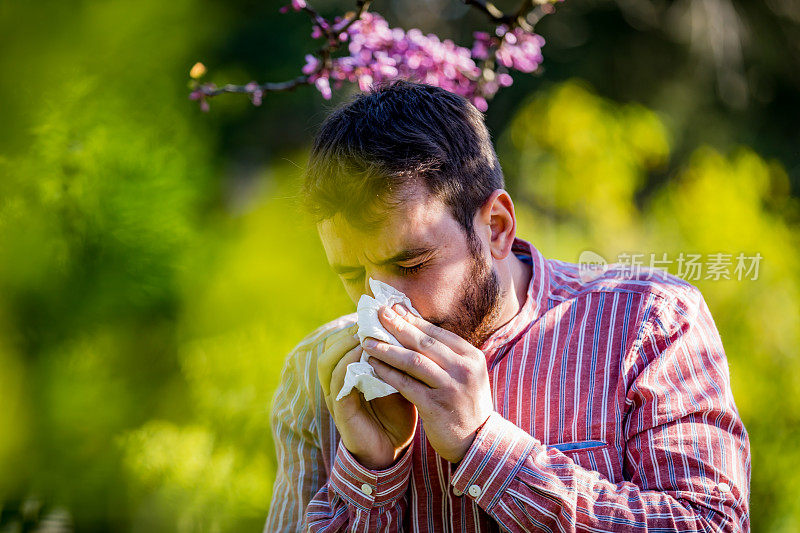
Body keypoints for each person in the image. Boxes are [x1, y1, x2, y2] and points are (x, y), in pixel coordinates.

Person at [263, 80, 750, 532]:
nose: (379, 303)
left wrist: (487, 450)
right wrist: (367, 474)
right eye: (351, 274)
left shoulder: (648, 323)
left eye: (411, 264)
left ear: (496, 226)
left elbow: (711, 523)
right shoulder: (316, 374)